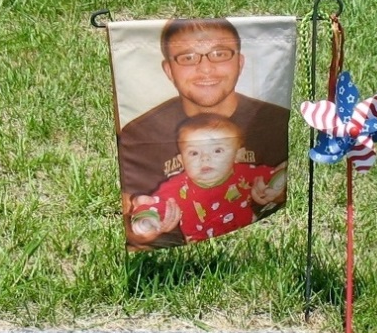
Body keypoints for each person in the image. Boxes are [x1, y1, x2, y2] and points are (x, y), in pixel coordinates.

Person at [117, 18, 291, 247]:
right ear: (169, 70)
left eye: (219, 53)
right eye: (188, 57)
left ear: (239, 63)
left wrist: (280, 191)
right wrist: (139, 232)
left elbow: (298, 191)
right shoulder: (138, 135)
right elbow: (125, 213)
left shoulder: (277, 121)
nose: (206, 69)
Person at [129, 114, 287, 244]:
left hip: (246, 235)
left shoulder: (245, 173)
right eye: (194, 153)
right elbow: (157, 204)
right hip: (199, 243)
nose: (205, 158)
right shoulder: (177, 186)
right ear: (182, 161)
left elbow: (272, 175)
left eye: (217, 150)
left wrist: (277, 182)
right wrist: (147, 217)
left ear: (237, 155)